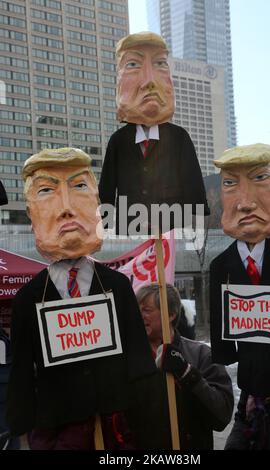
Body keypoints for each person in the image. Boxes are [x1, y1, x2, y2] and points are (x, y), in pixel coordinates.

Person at [6, 147, 156, 450]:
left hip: (116, 434)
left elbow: (139, 363)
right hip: (57, 434)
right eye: (47, 191)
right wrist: (22, 431)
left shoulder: (118, 287)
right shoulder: (27, 300)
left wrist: (151, 431)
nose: (66, 208)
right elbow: (21, 374)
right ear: (32, 216)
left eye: (79, 187)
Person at [209, 143, 270, 449]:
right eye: (231, 183)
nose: (246, 203)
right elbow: (223, 346)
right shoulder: (220, 267)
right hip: (251, 398)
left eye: (260, 178)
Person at [99, 32, 209, 236]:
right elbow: (107, 186)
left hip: (172, 227)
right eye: (133, 65)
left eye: (160, 63)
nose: (149, 81)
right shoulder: (119, 141)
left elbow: (191, 179)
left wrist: (196, 223)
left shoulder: (179, 138)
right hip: (131, 227)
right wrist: (105, 225)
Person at [134, 283, 234, 449]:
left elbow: (222, 416)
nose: (139, 315)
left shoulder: (202, 354)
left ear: (171, 314)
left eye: (146, 310)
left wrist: (187, 374)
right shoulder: (129, 359)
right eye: (137, 309)